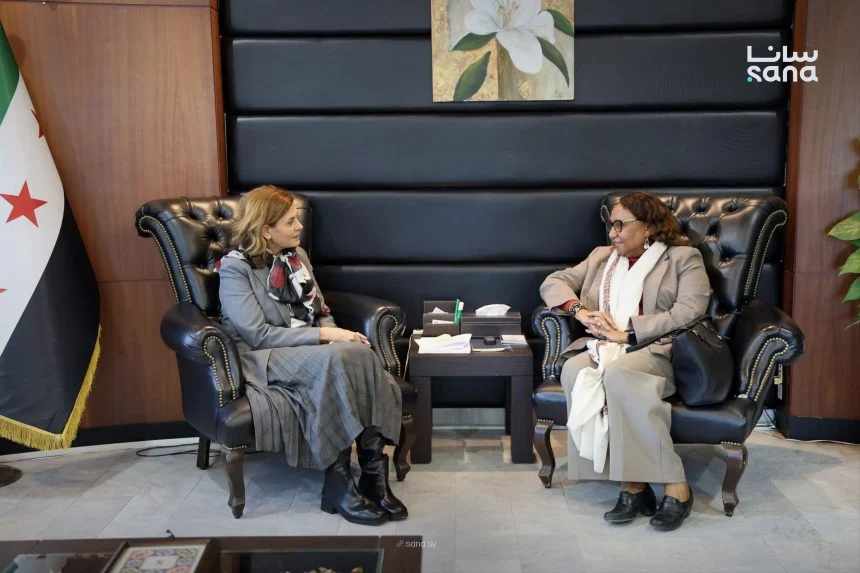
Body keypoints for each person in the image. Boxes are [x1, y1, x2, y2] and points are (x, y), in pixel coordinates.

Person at [217, 185, 407, 526]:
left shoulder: (297, 257)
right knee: (341, 358)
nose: (299, 226)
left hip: (310, 350)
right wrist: (327, 337)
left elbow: (320, 312)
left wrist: (333, 336)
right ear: (265, 229)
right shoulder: (235, 269)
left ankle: (373, 478)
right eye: (290, 222)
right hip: (265, 355)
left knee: (358, 353)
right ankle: (338, 482)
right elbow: (257, 335)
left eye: (297, 219)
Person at [540, 192, 710, 531]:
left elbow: (690, 310)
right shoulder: (601, 257)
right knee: (574, 370)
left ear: (647, 227)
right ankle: (632, 486)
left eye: (620, 225)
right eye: (611, 225)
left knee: (620, 374)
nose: (612, 233)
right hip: (603, 347)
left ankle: (676, 486)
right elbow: (554, 282)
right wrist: (579, 311)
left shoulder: (683, 258)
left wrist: (629, 334)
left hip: (658, 350)